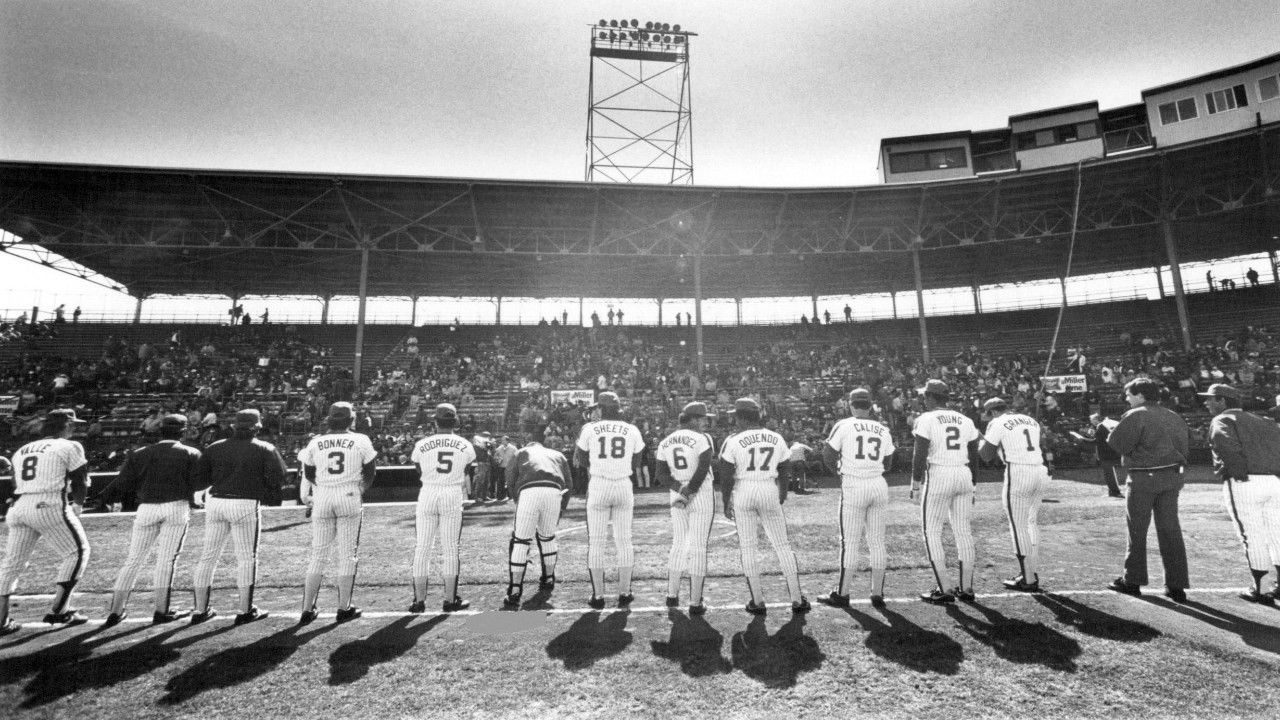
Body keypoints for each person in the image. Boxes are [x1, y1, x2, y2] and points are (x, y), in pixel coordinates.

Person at [100, 414, 202, 626]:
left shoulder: (140, 453)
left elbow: (123, 484)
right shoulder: (191, 452)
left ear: (160, 431)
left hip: (146, 507)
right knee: (166, 560)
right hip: (176, 506)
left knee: (133, 560)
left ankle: (115, 611)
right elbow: (198, 484)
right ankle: (162, 610)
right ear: (183, 432)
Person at [189, 408, 286, 625]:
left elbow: (200, 479)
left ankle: (199, 610)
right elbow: (278, 477)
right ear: (257, 427)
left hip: (216, 502)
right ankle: (244, 610)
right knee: (246, 558)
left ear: (234, 426)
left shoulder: (215, 447)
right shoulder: (264, 447)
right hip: (245, 503)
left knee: (208, 556)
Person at [0, 409, 92, 634]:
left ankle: (1, 620)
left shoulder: (23, 449)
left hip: (19, 506)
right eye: (73, 425)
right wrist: (79, 505)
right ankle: (60, 610)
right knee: (77, 552)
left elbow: (14, 482)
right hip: (49, 502)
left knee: (12, 563)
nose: (74, 429)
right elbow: (80, 480)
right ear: (66, 425)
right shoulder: (70, 446)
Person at [717, 397, 809, 615]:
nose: (734, 421)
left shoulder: (733, 440)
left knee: (748, 547)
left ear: (741, 418)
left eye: (736, 417)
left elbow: (726, 475)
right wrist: (783, 492)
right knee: (782, 545)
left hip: (744, 490)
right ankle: (797, 599)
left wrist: (726, 501)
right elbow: (785, 467)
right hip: (769, 487)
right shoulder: (776, 437)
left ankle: (757, 601)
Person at [1106, 377, 1190, 602]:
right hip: (1172, 476)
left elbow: (1118, 444)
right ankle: (1176, 586)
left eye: (1129, 395)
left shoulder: (1136, 414)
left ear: (1140, 395)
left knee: (1137, 530)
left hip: (1143, 477)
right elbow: (1184, 448)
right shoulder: (1173, 415)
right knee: (1170, 530)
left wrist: (1112, 429)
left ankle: (1132, 581)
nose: (1127, 398)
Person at [296, 402, 377, 625]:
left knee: (318, 554)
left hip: (323, 495)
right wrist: (359, 489)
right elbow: (371, 472)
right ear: (351, 420)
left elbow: (309, 474)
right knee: (347, 553)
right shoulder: (361, 440)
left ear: (329, 420)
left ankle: (307, 609)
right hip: (349, 494)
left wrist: (324, 487)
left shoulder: (315, 442)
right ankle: (343, 607)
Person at [1198, 383, 1280, 604]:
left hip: (1245, 482)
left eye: (1210, 398)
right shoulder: (1263, 420)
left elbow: (1226, 446)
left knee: (1251, 535)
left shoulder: (1222, 419)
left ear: (1222, 401)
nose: (1206, 402)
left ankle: (1261, 590)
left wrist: (1239, 474)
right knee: (1277, 533)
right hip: (1274, 482)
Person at [820, 388, 895, 608]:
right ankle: (877, 593)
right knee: (877, 541)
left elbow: (827, 454)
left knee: (850, 542)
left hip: (854, 484)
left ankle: (842, 594)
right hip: (878, 483)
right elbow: (889, 462)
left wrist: (839, 472)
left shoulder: (843, 425)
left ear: (851, 405)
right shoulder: (883, 428)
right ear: (870, 406)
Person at [912, 379, 980, 604]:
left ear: (931, 397)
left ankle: (945, 588)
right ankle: (967, 588)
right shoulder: (966, 420)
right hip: (963, 474)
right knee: (963, 531)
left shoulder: (926, 418)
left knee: (932, 531)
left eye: (925, 395)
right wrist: (974, 485)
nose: (923, 399)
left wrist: (915, 483)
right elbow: (974, 456)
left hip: (940, 474)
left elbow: (919, 454)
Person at [574, 391, 644, 608]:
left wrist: (601, 465)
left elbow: (582, 459)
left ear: (601, 408)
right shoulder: (632, 429)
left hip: (599, 483)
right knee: (624, 541)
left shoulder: (589, 428)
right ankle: (625, 592)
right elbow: (637, 461)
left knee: (596, 542)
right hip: (623, 483)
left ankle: (598, 596)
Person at [977, 397, 1050, 593]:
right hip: (1039, 470)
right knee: (1031, 522)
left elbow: (985, 455)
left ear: (993, 412)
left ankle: (1028, 578)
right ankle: (1031, 571)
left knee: (1018, 526)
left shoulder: (997, 422)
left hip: (1018, 471)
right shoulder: (1030, 420)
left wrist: (980, 439)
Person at [409, 403, 476, 613]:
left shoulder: (422, 443)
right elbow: (467, 470)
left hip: (428, 492)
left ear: (435, 422)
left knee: (422, 547)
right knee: (451, 548)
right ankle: (450, 599)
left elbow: (417, 468)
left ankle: (419, 601)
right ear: (455, 422)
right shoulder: (465, 444)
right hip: (452, 492)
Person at [655, 401, 716, 614]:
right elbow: (703, 468)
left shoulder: (665, 441)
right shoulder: (702, 438)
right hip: (699, 492)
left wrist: (680, 490)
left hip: (677, 490)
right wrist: (689, 491)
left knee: (679, 542)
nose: (706, 422)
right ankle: (695, 602)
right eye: (703, 419)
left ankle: (671, 595)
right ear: (694, 420)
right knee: (698, 546)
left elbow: (660, 474)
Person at [502, 426, 572, 608]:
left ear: (529, 443)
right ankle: (548, 578)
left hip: (529, 491)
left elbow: (510, 477)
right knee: (548, 537)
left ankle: (515, 590)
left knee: (521, 541)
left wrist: (517, 499)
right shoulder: (557, 455)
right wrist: (562, 508)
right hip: (554, 491)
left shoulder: (521, 452)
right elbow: (569, 484)